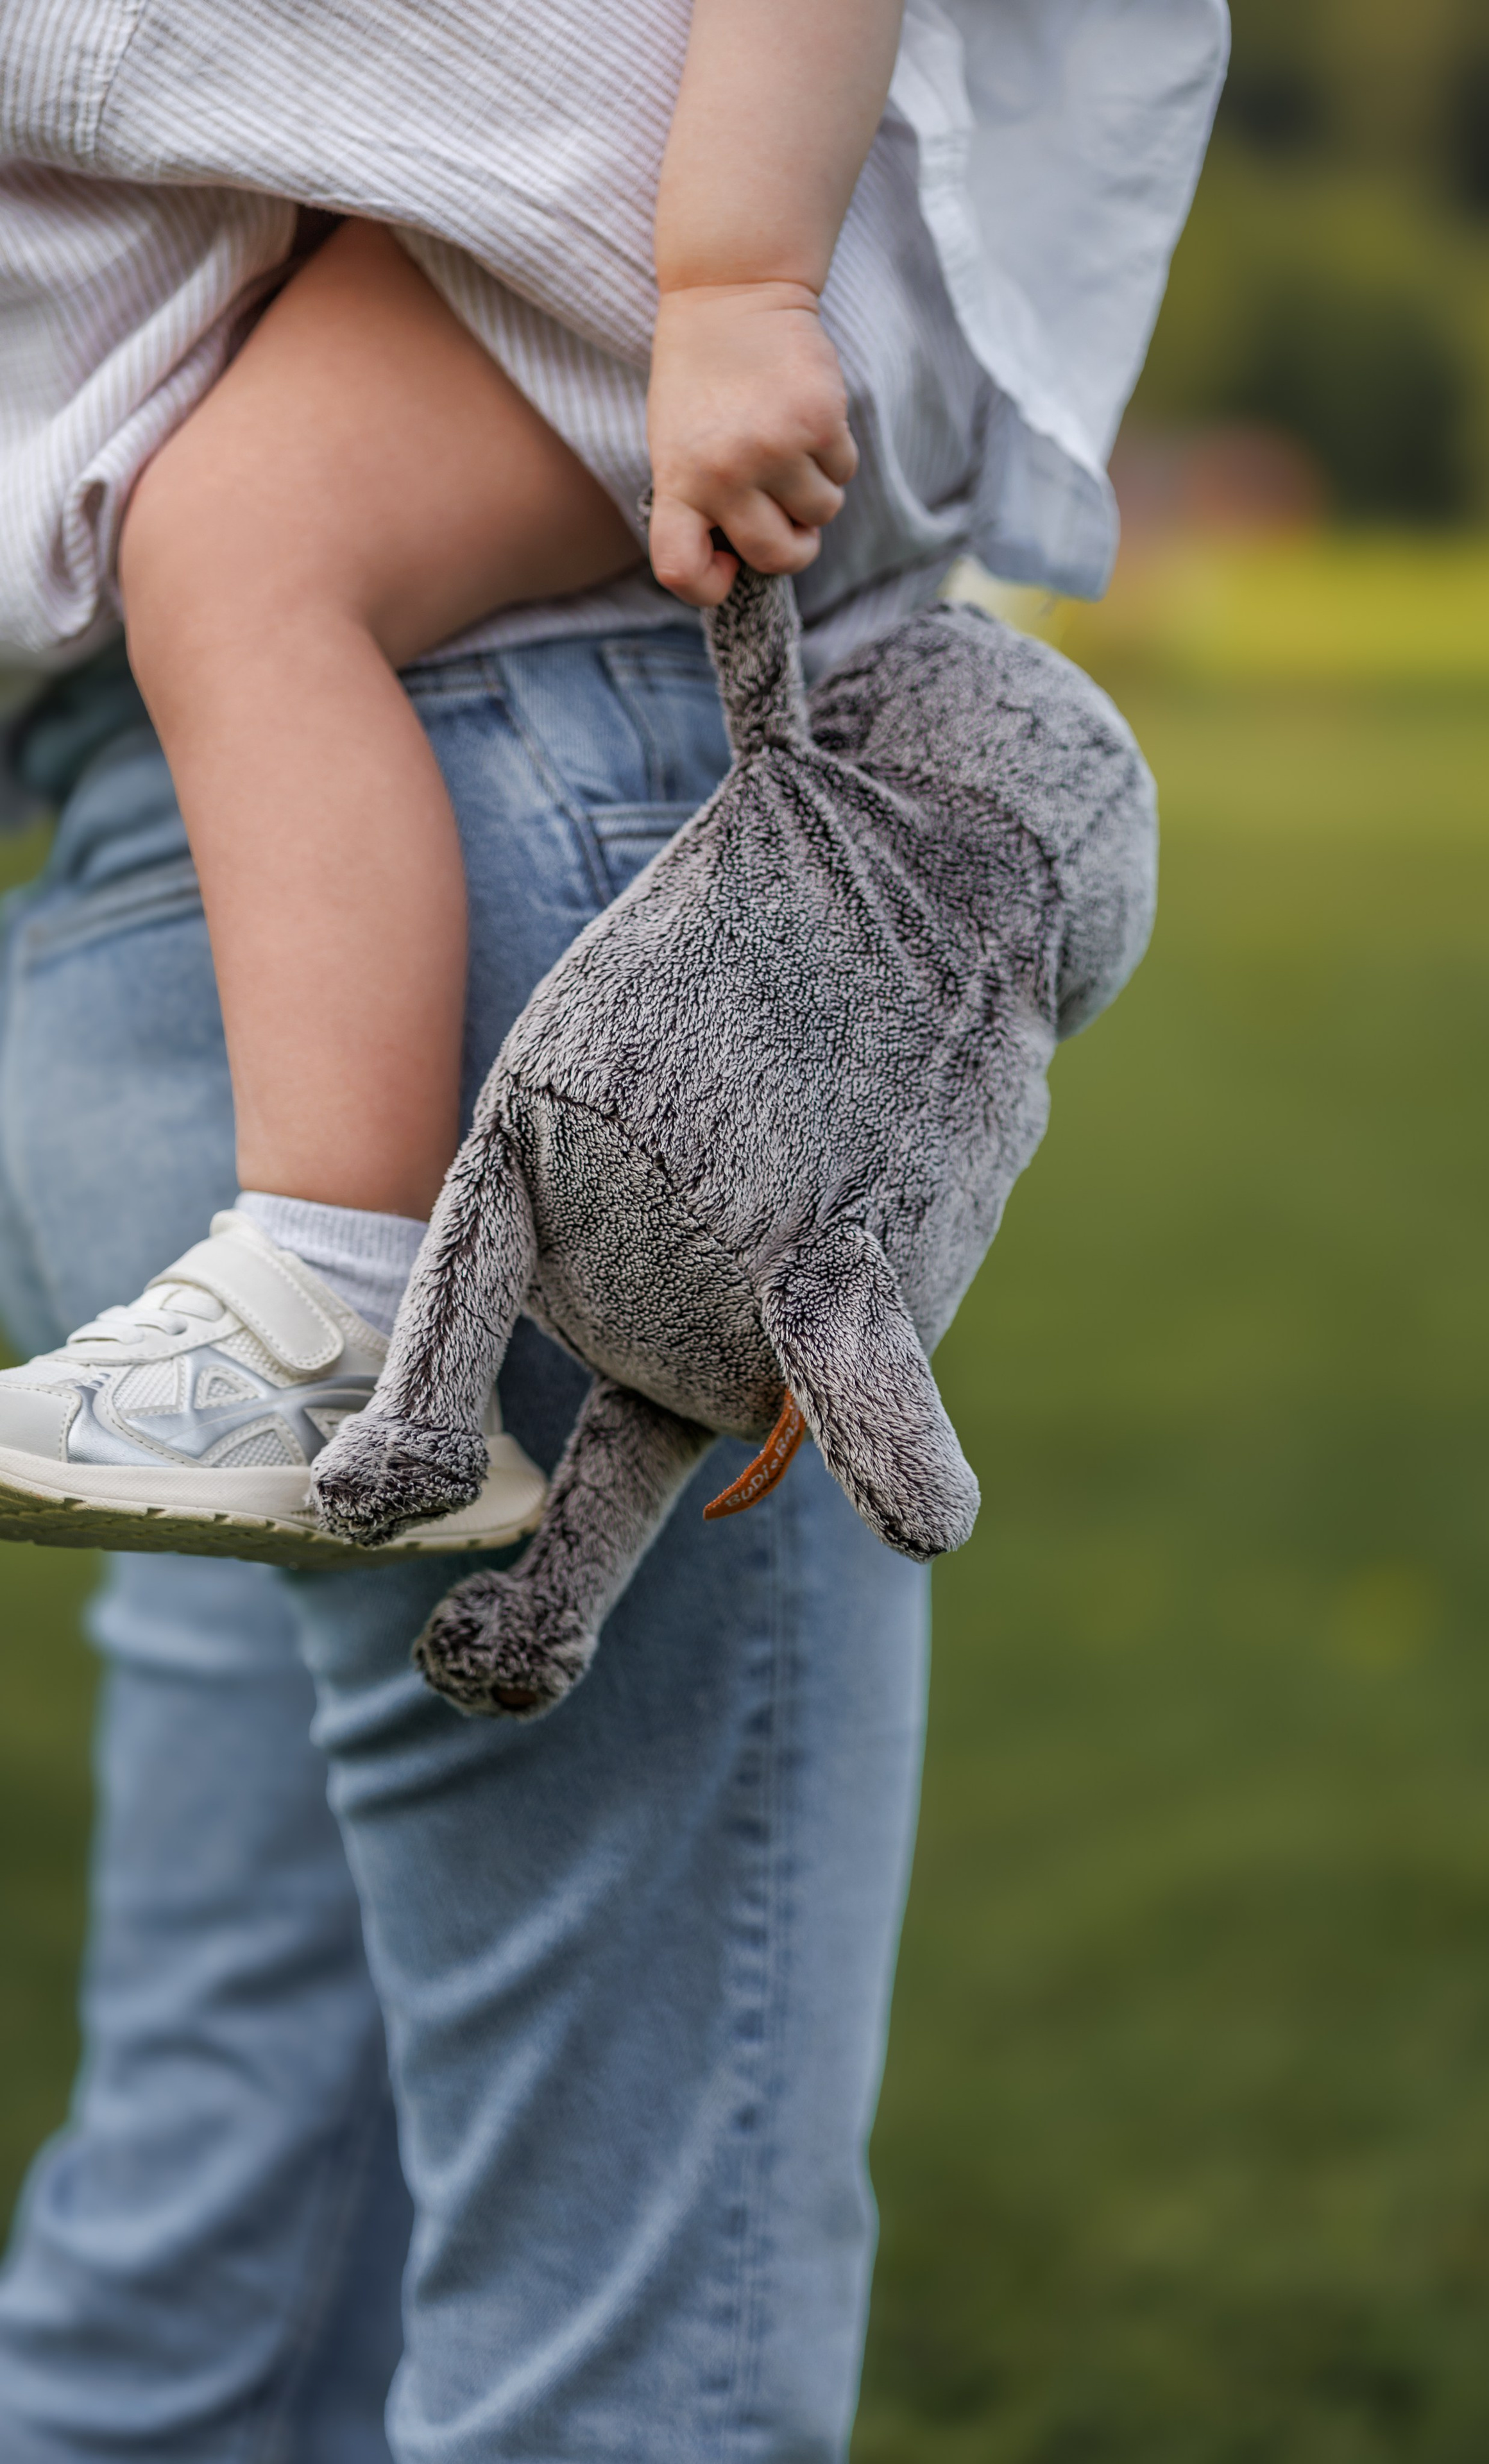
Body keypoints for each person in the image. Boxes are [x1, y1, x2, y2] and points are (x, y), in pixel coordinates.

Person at [0, 2, 1227, 2454]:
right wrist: (742, 276)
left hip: (148, 907)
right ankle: (338, 1299)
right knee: (621, 2328)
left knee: (212, 2217)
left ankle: (315, 1308)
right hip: (527, 850)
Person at [0, 0, 898, 1557]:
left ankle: (344, 1308)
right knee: (226, 1686)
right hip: (381, 277)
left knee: (238, 544)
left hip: (620, 221)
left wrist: (740, 282)